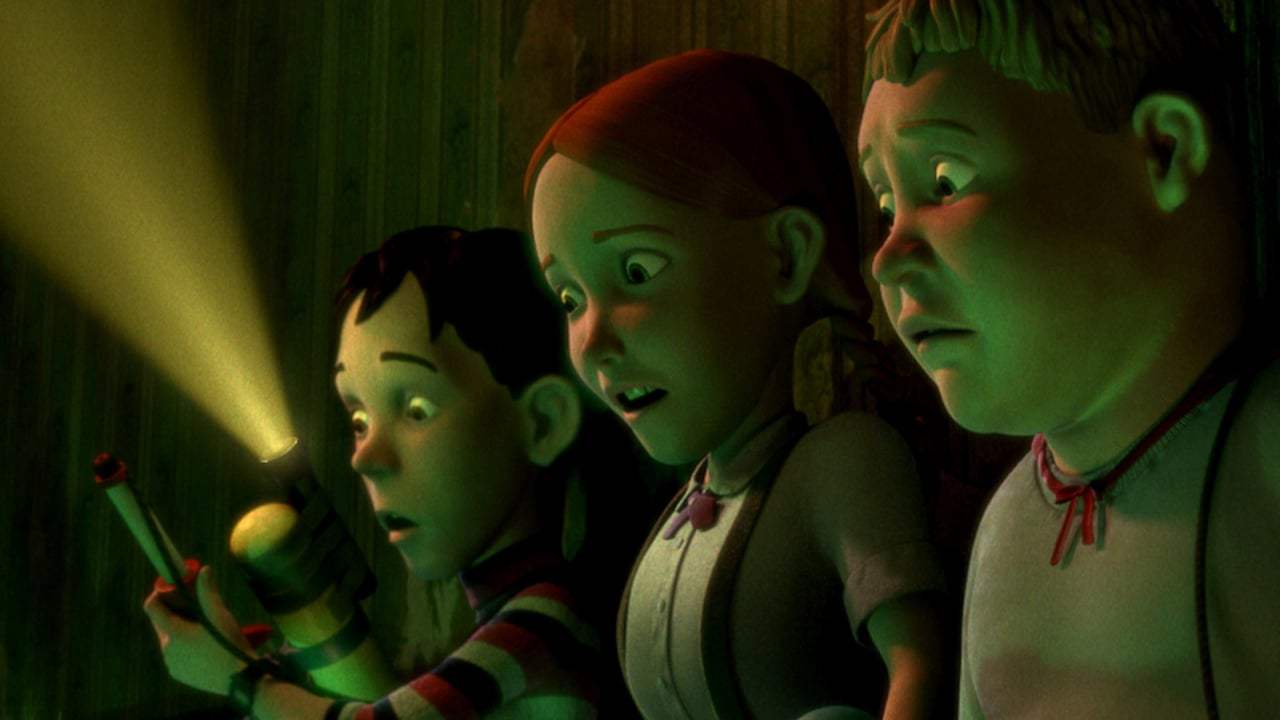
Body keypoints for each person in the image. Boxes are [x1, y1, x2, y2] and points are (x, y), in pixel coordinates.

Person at [856, 1, 1280, 717]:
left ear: (1164, 151)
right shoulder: (1008, 524)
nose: (888, 258)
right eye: (885, 206)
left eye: (946, 181)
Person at [527, 49, 947, 719]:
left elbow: (922, 665)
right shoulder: (687, 504)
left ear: (787, 254)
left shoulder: (841, 463)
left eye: (636, 272)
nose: (593, 342)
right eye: (571, 299)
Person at [144, 226, 604, 718]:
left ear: (542, 422)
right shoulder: (515, 623)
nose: (364, 458)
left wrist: (241, 681)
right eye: (359, 419)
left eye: (417, 409)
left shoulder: (543, 622)